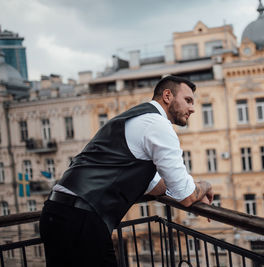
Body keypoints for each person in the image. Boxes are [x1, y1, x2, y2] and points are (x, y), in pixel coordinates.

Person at [39, 76, 214, 267]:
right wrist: (205, 186)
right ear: (167, 96)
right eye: (188, 100)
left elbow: (156, 185)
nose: (193, 108)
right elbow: (186, 195)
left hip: (55, 212)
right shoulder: (157, 125)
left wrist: (191, 189)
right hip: (82, 220)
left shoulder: (135, 118)